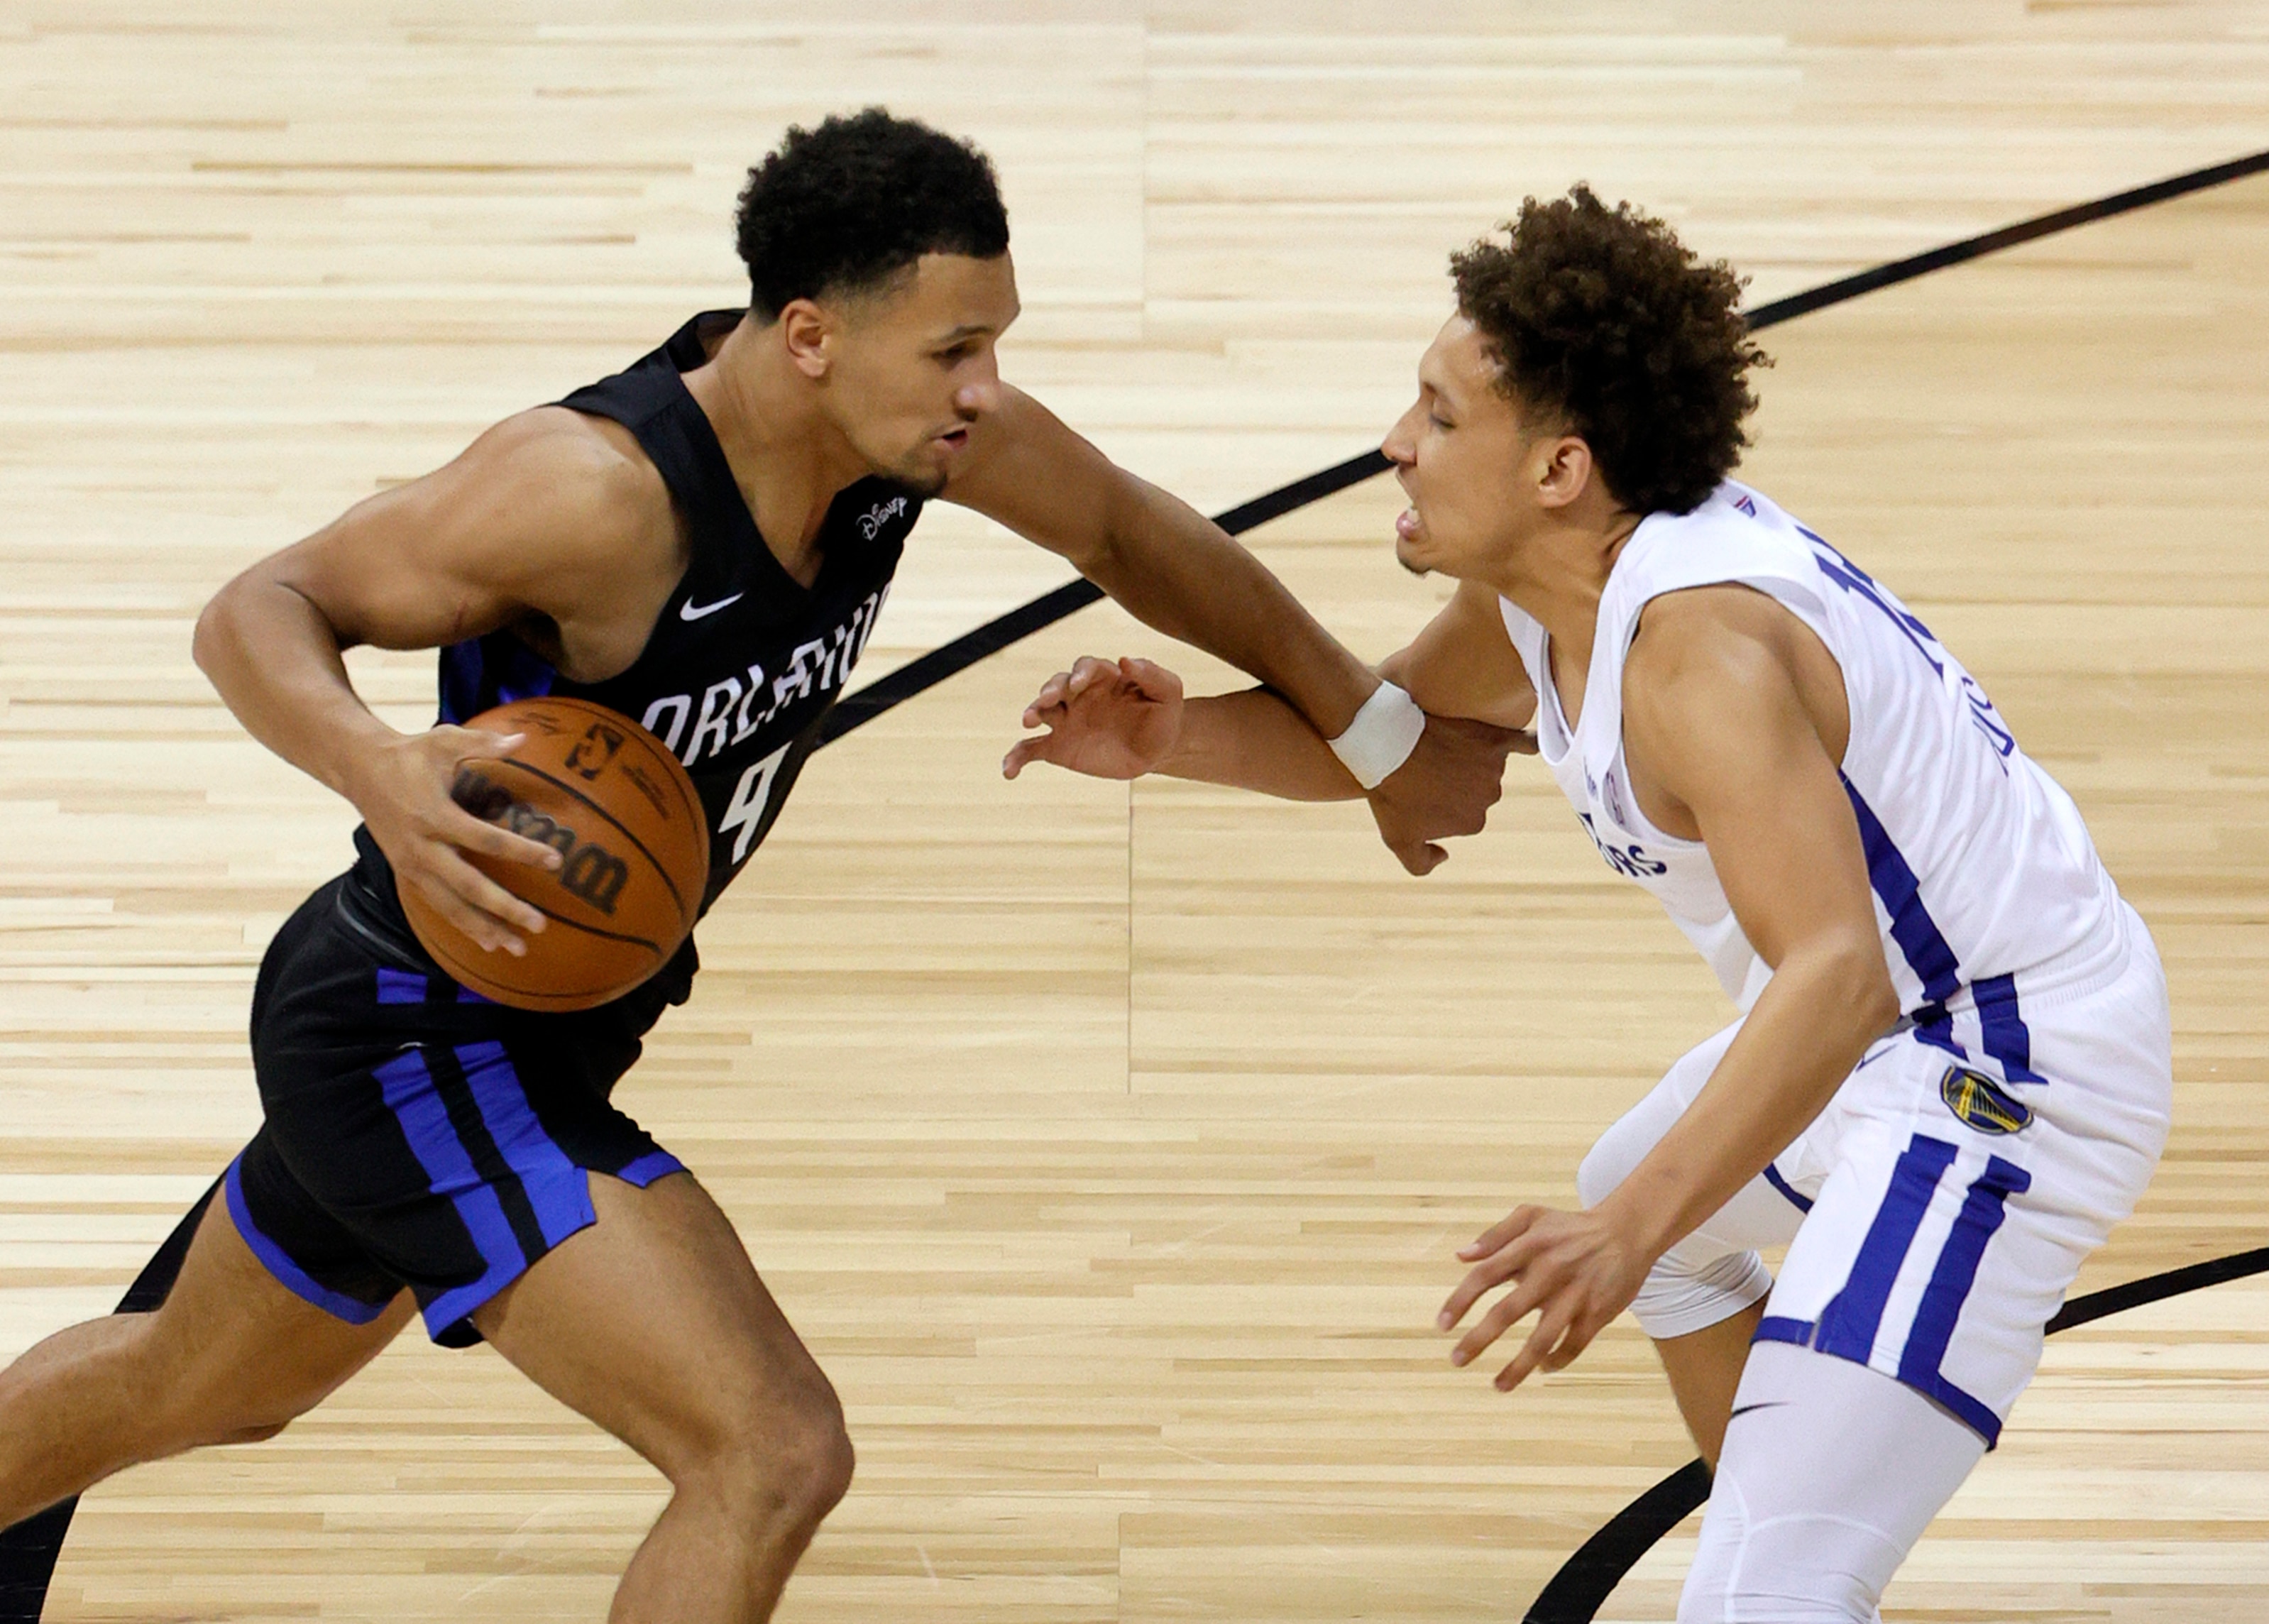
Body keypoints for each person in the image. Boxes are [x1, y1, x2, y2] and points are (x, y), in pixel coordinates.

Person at [0, 109, 1515, 1623]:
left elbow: (1129, 530)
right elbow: (259, 604)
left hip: (544, 1021)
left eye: (994, 343)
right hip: (420, 1033)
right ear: (807, 336)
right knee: (769, 1449)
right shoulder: (593, 493)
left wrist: (1376, 736)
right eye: (952, 351)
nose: (984, 389)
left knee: (187, 1384)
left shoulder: (912, 438)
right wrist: (378, 768)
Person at [1004, 185, 2172, 1620]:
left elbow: (1837, 973)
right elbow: (1388, 742)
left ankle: (1784, 1573)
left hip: (2005, 1069)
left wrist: (1616, 1236)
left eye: (1437, 416)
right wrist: (1165, 740)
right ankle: (1788, 1545)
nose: (1393, 444)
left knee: (1740, 1524)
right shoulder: (1550, 601)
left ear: (1559, 469)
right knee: (1662, 1223)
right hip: (1903, 1024)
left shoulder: (1702, 656)